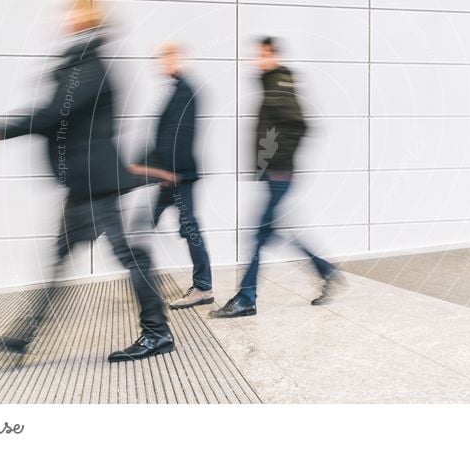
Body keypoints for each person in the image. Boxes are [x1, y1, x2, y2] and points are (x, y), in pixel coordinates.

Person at [0, 0, 175, 362]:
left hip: (96, 185)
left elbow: (51, 115)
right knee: (63, 257)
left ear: (88, 17)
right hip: (85, 183)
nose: (63, 17)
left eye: (72, 10)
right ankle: (23, 335)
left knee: (128, 256)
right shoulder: (82, 62)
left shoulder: (90, 66)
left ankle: (157, 333)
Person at [209, 37, 344, 319]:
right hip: (274, 173)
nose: (256, 60)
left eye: (261, 55)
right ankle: (327, 271)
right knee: (271, 233)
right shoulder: (270, 84)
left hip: (280, 172)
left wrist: (279, 160)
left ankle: (246, 298)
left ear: (273, 56)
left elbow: (300, 125)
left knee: (258, 236)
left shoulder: (279, 82)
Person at [129, 43, 214, 310]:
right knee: (152, 224)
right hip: (173, 174)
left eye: (165, 59)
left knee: (188, 228)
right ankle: (150, 284)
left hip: (177, 175)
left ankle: (202, 287)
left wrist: (167, 172)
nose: (160, 64)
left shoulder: (184, 91)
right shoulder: (178, 89)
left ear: (178, 60)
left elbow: (178, 135)